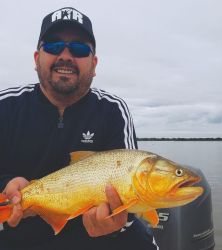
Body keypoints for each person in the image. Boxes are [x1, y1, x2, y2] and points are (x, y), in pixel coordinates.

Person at [0, 7, 158, 250]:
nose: (66, 56)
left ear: (93, 64)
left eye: (80, 49)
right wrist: (7, 183)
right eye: (53, 46)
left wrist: (117, 224)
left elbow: (130, 190)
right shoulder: (6, 106)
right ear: (36, 59)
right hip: (17, 233)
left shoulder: (113, 110)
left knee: (138, 238)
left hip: (94, 238)